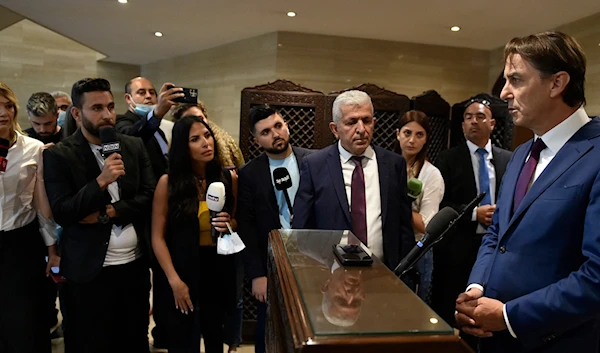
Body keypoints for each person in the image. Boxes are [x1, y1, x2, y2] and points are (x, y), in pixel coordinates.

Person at [455, 31, 600, 353]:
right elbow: (497, 235)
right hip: (493, 340)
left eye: (516, 80)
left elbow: (596, 276)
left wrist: (509, 315)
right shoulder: (522, 153)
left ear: (556, 83)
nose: (504, 93)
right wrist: (476, 289)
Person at [43, 78, 155, 353]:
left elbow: (149, 196)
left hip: (134, 269)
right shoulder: (60, 155)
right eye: (97, 108)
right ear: (77, 113)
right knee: (89, 344)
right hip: (88, 274)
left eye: (110, 107)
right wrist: (100, 181)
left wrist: (109, 211)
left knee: (134, 342)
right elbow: (64, 212)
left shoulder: (132, 146)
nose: (107, 115)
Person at [293, 90, 414, 273]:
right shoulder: (315, 166)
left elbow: (404, 228)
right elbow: (302, 231)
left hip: (384, 276)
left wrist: (406, 275)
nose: (361, 129)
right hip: (332, 277)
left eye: (366, 121)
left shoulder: (393, 165)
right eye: (351, 122)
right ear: (335, 129)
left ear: (374, 123)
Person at [151, 115, 239, 353]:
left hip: (217, 267)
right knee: (182, 337)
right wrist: (174, 280)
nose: (205, 143)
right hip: (182, 267)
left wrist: (228, 222)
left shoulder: (227, 178)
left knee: (214, 334)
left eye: (207, 136)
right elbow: (157, 237)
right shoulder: (168, 183)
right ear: (183, 146)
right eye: (195, 139)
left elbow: (235, 220)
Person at [431, 94, 512, 346]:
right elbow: (440, 206)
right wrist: (474, 213)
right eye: (468, 117)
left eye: (480, 117)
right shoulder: (447, 159)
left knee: (486, 312)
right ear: (462, 124)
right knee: (454, 310)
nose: (473, 122)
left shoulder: (508, 159)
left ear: (492, 124)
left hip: (495, 248)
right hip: (458, 246)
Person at [237, 104, 311, 353]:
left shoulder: (313, 161)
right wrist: (257, 274)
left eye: (278, 126)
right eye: (266, 131)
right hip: (272, 261)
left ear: (286, 126)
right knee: (269, 328)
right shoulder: (249, 173)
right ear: (257, 139)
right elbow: (246, 227)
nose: (275, 134)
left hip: (312, 257)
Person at [117, 76, 182, 348]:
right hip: (142, 215)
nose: (148, 96)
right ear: (128, 99)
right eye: (141, 92)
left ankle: (166, 332)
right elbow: (129, 139)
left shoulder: (161, 128)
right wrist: (156, 114)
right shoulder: (124, 122)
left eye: (152, 92)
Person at [0, 82, 58, 353]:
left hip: (20, 242)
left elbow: (40, 203)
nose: (3, 112)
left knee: (24, 321)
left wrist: (52, 249)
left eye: (8, 105)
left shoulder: (34, 148)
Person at [393, 110, 444, 303]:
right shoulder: (385, 166)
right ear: (398, 134)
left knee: (412, 306)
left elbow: (425, 225)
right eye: (407, 133)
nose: (412, 140)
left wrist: (399, 203)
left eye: (419, 135)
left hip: (417, 250)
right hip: (387, 245)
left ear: (426, 139)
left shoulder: (432, 175)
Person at [171, 102, 245, 169]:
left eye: (200, 118)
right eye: (195, 139)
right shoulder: (168, 180)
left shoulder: (225, 141)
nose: (206, 143)